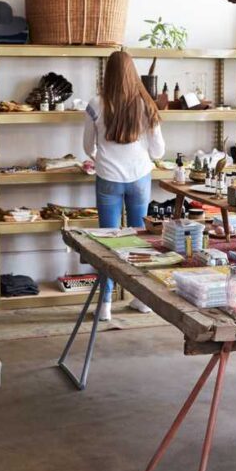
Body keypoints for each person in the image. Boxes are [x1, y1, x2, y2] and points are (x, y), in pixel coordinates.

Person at [83, 51, 165, 321]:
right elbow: (159, 151)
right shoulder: (146, 104)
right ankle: (142, 300)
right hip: (140, 177)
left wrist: (102, 159)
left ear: (108, 73)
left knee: (107, 242)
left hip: (108, 178)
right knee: (140, 240)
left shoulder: (96, 103)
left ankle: (105, 304)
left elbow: (87, 147)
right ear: (133, 73)